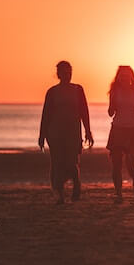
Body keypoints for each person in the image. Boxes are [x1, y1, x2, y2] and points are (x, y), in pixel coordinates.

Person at [38, 61, 94, 204]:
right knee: (57, 163)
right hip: (55, 133)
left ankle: (76, 183)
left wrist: (88, 131)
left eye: (69, 72)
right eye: (63, 72)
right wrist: (42, 135)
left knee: (72, 162)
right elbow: (46, 114)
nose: (67, 75)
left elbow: (84, 111)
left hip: (73, 132)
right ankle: (60, 195)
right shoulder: (52, 92)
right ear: (58, 74)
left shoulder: (78, 89)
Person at [107, 66, 134, 202]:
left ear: (131, 77)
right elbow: (111, 112)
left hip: (133, 129)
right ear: (118, 77)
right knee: (116, 163)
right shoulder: (115, 91)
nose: (124, 78)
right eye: (121, 76)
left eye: (126, 75)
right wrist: (112, 103)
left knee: (130, 161)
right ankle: (118, 193)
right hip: (117, 129)